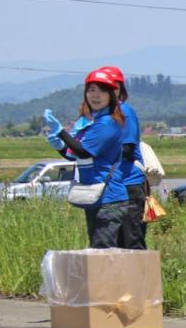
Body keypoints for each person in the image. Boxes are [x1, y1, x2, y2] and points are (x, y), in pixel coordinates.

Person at [44, 69, 131, 247]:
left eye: (101, 91)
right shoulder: (96, 122)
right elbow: (77, 156)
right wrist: (61, 146)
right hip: (95, 195)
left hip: (108, 198)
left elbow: (84, 151)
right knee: (98, 250)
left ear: (111, 95)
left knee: (102, 254)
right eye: (91, 90)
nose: (95, 95)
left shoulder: (108, 122)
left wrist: (61, 132)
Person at [98, 66, 147, 249]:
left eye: (110, 87)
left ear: (119, 89)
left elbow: (127, 148)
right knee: (111, 241)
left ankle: (141, 276)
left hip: (128, 184)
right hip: (111, 186)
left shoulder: (124, 111)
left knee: (131, 239)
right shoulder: (102, 115)